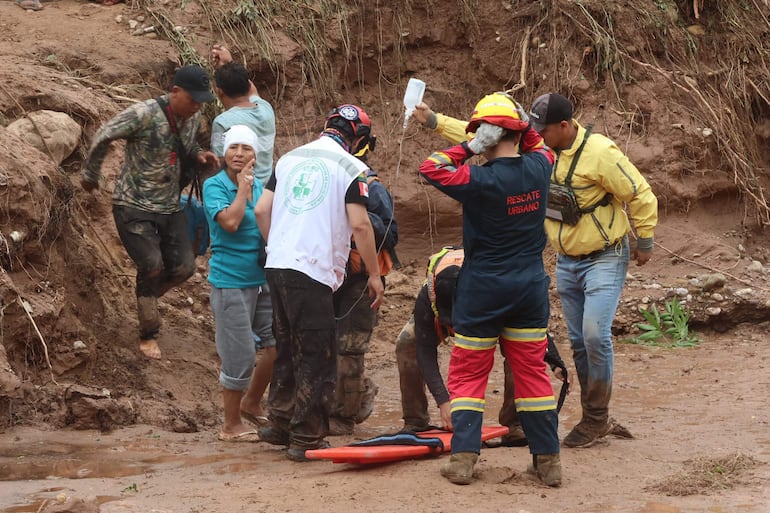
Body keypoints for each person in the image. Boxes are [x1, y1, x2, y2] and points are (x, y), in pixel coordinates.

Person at [418, 92, 561, 486]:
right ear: (518, 131)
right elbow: (539, 145)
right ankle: (548, 461)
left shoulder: (477, 178)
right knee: (532, 373)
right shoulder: (540, 166)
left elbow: (431, 167)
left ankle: (463, 459)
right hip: (529, 287)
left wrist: (469, 145)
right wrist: (522, 124)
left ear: (484, 134)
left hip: (483, 289)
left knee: (469, 373)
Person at [255, 104, 385, 462]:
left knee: (286, 346)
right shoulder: (352, 169)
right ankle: (307, 435)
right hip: (311, 270)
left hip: (277, 264)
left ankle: (280, 421)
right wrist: (374, 275)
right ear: (357, 137)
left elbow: (261, 211)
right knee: (317, 353)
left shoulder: (288, 159)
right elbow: (360, 225)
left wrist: (278, 246)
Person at [527, 93, 658, 448]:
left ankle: (596, 418)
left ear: (565, 126)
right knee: (579, 344)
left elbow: (641, 194)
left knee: (595, 335)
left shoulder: (600, 153)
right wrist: (435, 122)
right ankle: (594, 416)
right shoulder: (541, 150)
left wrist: (644, 241)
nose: (537, 135)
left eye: (544, 130)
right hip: (567, 262)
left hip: (605, 256)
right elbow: (486, 134)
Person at [81, 64, 218, 360]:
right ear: (176, 91)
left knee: (184, 267)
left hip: (170, 206)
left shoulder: (193, 119)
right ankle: (148, 332)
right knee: (152, 265)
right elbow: (105, 133)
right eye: (193, 99)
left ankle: (147, 298)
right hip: (133, 205)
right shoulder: (144, 114)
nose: (197, 106)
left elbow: (189, 145)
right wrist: (91, 175)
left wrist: (198, 155)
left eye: (201, 102)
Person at [395, 247, 569, 448]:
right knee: (407, 344)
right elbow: (424, 350)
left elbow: (530, 330)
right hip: (462, 300)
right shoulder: (430, 292)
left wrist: (555, 361)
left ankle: (514, 425)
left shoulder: (499, 289)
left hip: (489, 305)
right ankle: (415, 421)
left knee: (519, 353)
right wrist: (444, 401)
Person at [202, 125, 276, 442]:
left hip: (262, 280)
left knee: (276, 345)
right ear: (224, 152)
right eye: (234, 148)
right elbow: (231, 223)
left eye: (246, 148)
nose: (239, 154)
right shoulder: (214, 186)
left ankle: (252, 402)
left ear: (255, 154)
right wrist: (243, 191)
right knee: (239, 355)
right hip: (230, 281)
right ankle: (230, 425)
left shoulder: (261, 186)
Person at [329, 148, 399, 436]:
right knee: (321, 346)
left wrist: (359, 218)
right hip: (326, 276)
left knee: (350, 349)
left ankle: (344, 416)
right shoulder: (324, 186)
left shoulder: (372, 188)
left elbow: (391, 234)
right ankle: (345, 402)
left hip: (360, 281)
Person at [210, 45, 276, 185]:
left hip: (241, 192)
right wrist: (230, 63)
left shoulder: (223, 122)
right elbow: (251, 88)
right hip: (266, 193)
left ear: (219, 92)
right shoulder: (266, 109)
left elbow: (220, 163)